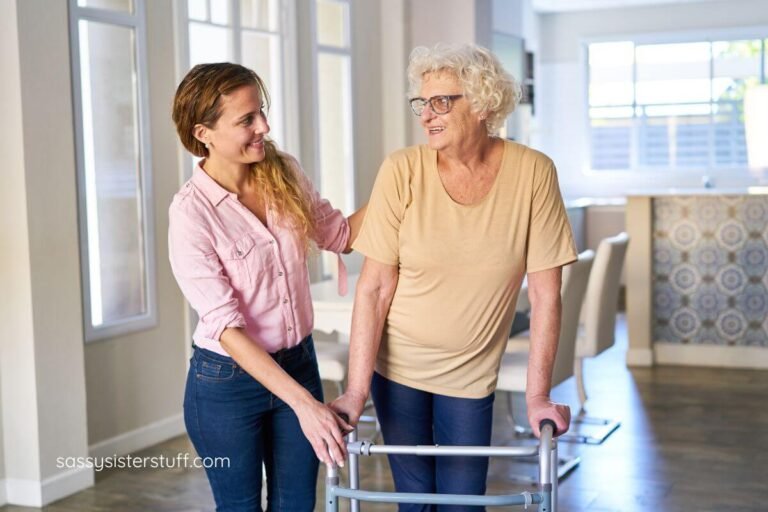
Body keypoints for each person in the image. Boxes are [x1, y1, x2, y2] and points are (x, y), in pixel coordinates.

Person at [331, 43, 577, 511]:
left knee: (463, 504)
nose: (427, 115)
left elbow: (547, 295)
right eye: (422, 103)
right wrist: (355, 391)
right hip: (397, 368)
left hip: (471, 374)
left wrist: (538, 395)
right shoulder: (402, 170)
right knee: (416, 502)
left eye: (442, 101)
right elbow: (374, 288)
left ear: (483, 104)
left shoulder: (533, 174)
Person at [169, 62, 365, 511]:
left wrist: (403, 180)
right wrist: (306, 405)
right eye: (246, 120)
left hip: (298, 362)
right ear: (204, 133)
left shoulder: (284, 172)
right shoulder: (191, 214)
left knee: (297, 505)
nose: (264, 127)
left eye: (262, 112)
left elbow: (339, 235)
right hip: (226, 385)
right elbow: (226, 327)